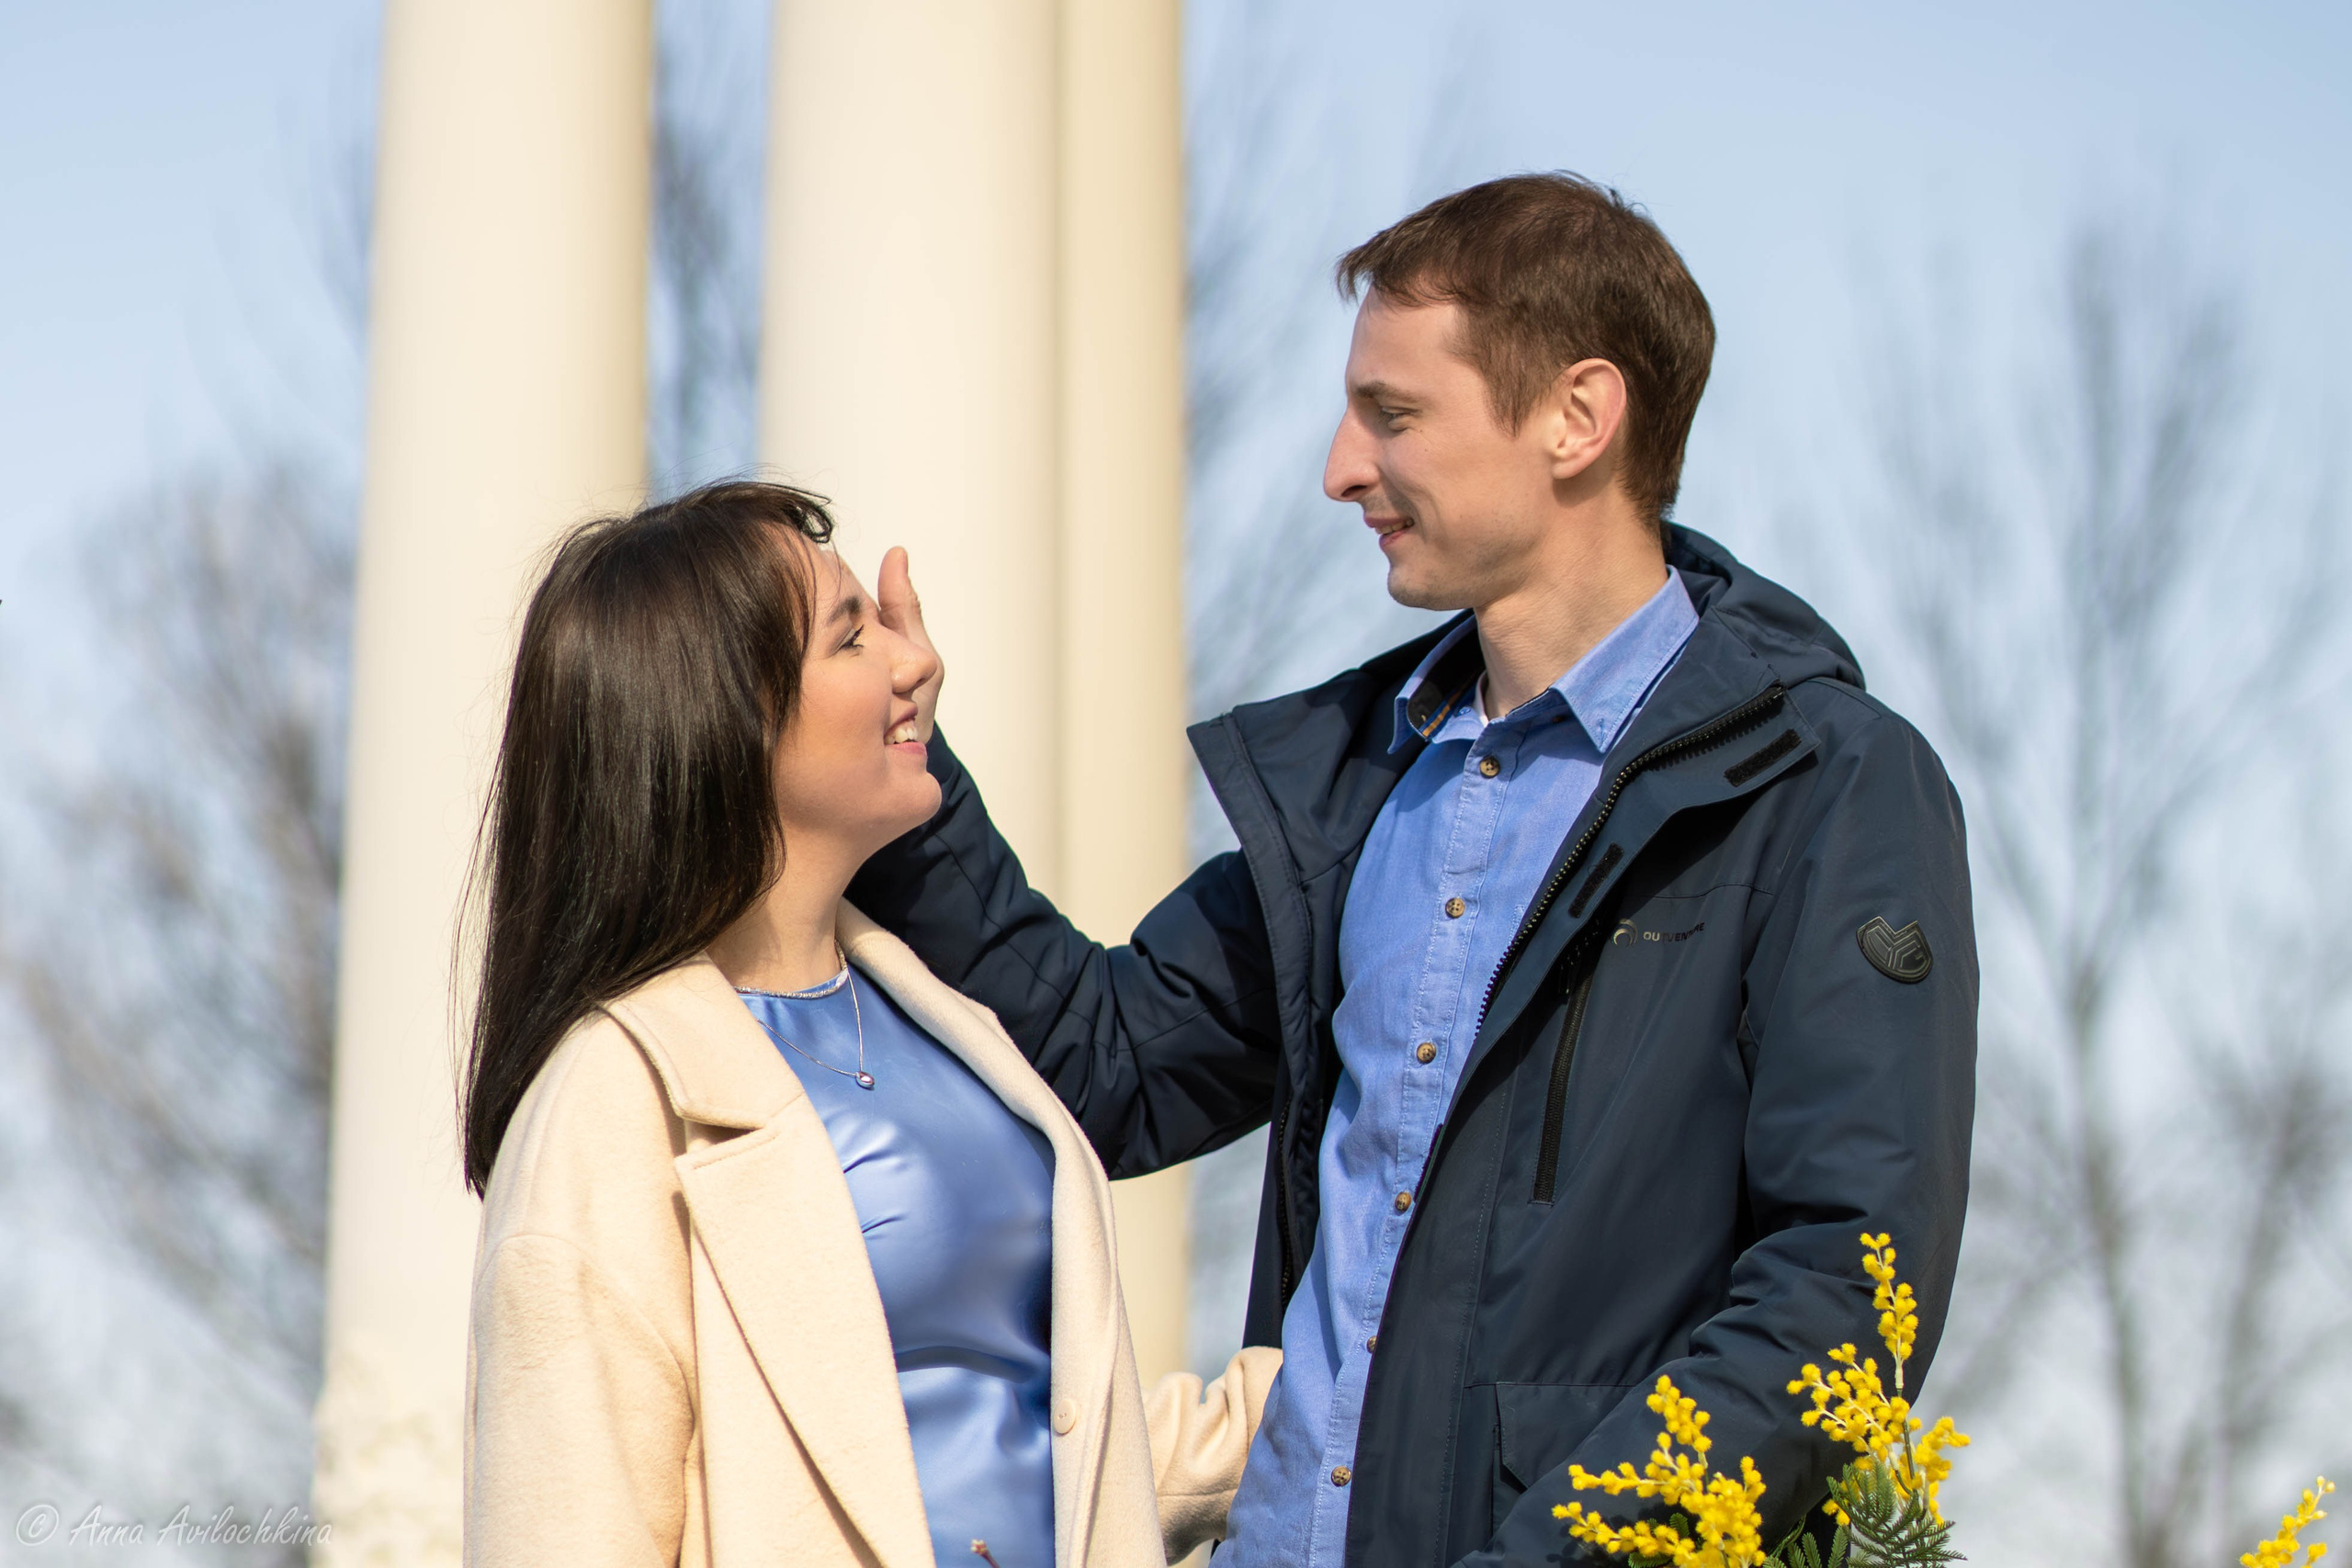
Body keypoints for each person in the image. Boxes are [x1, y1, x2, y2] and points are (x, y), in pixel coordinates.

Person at [851, 174, 1978, 1564]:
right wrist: (897, 772)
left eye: (1394, 414)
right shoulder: (1356, 780)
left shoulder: (1826, 786)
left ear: (1579, 416)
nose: (1339, 465)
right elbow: (1106, 1062)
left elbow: (1842, 1294)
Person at [458, 481, 1277, 1568]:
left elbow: (1022, 1424)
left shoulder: (939, 1021)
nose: (915, 663)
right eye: (853, 638)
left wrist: (1310, 1401)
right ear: (726, 719)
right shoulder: (611, 1101)